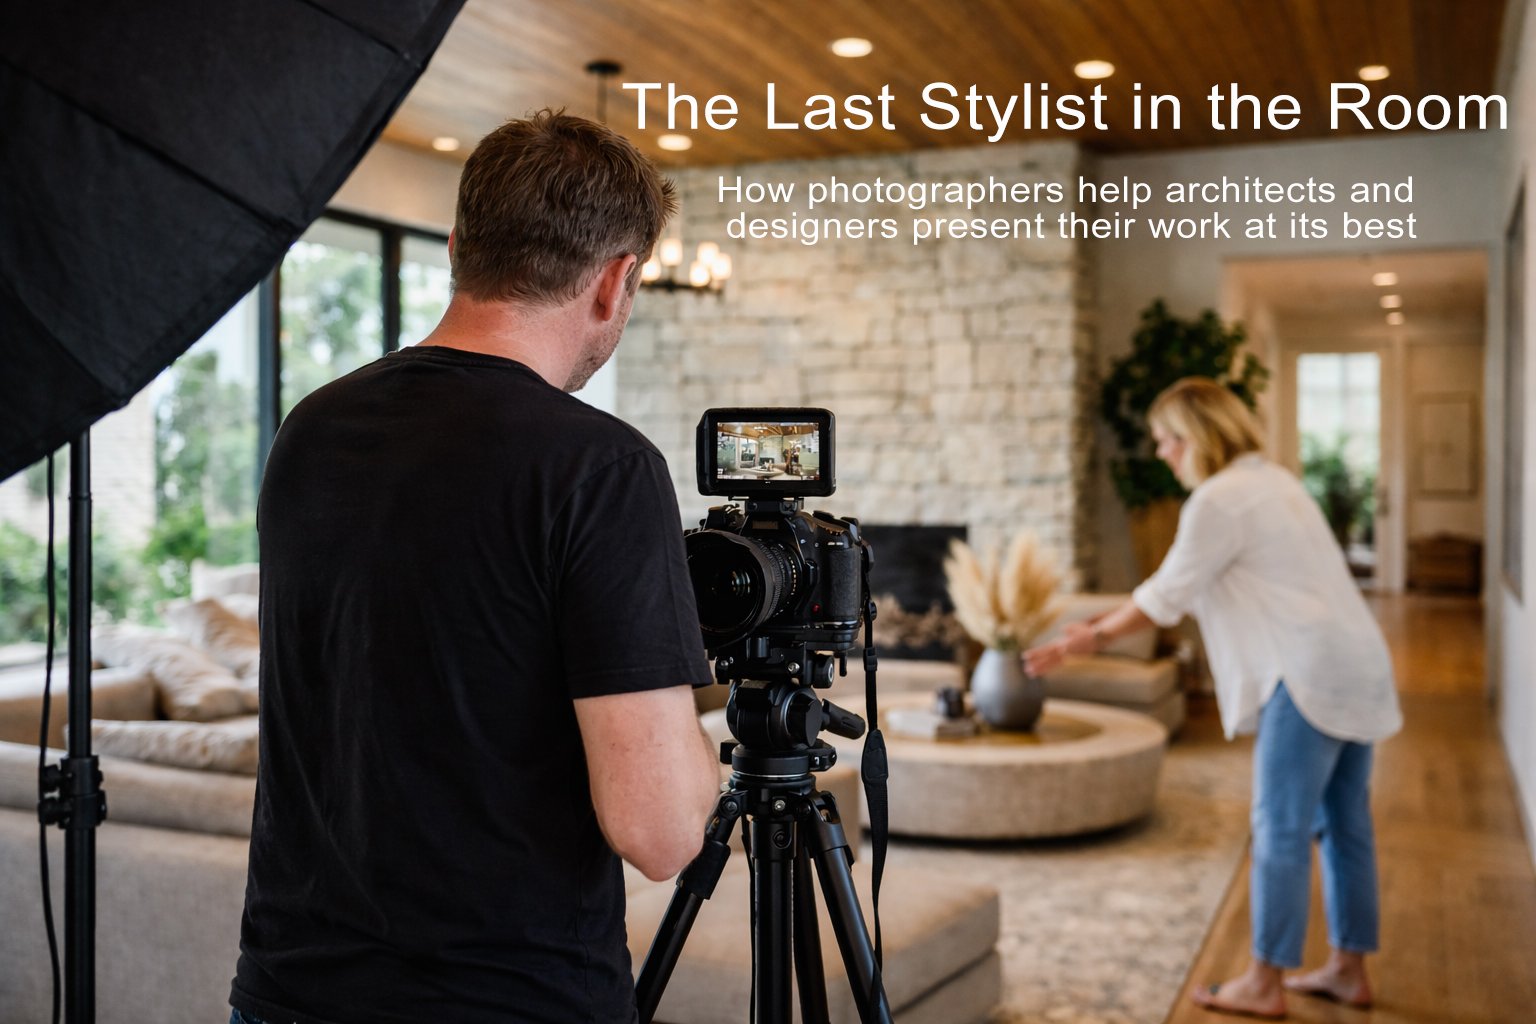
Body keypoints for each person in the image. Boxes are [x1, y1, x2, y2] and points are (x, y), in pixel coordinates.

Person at [230, 111, 722, 1024]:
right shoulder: (601, 466)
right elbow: (658, 834)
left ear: (461, 247)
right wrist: (703, 741)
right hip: (503, 1001)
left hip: (288, 992)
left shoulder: (312, 429)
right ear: (616, 283)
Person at [1025, 377, 1401, 1020]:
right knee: (1344, 824)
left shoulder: (1219, 499)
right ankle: (1347, 969)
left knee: (1278, 828)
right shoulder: (1277, 481)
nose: (1164, 454)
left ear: (1198, 437)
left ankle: (1263, 980)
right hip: (1358, 664)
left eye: (1168, 440)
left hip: (1305, 674)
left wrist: (1088, 636)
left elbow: (1166, 594)